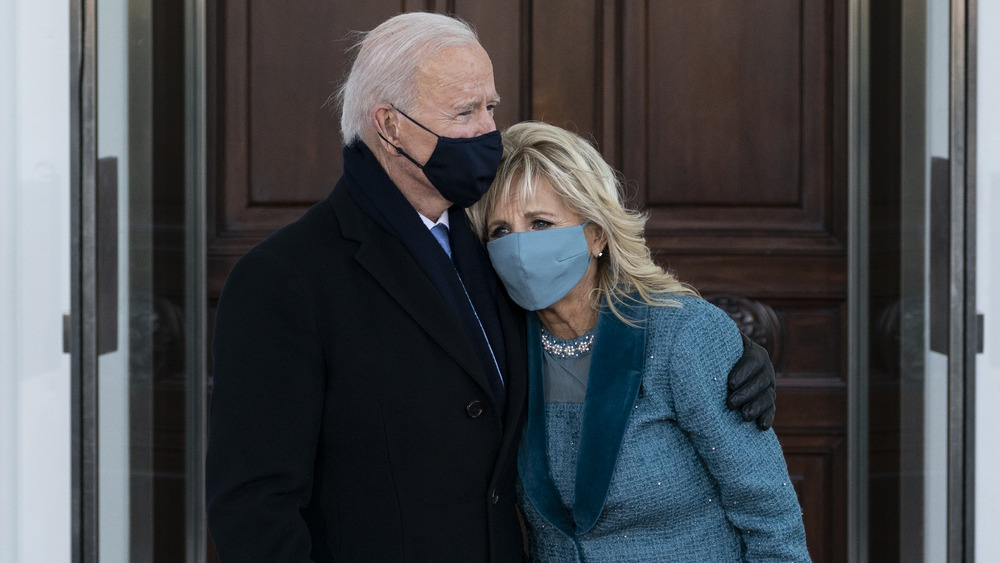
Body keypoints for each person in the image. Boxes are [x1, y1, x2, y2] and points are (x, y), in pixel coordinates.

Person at [205, 12, 778, 562]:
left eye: (491, 107)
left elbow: (586, 318)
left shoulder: (488, 245)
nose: (488, 131)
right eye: (465, 112)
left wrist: (730, 356)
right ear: (389, 125)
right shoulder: (283, 280)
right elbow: (254, 510)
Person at [467, 121, 810, 561]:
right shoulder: (499, 350)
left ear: (597, 234)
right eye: (500, 231)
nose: (518, 246)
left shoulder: (682, 336)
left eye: (540, 223)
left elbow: (770, 514)